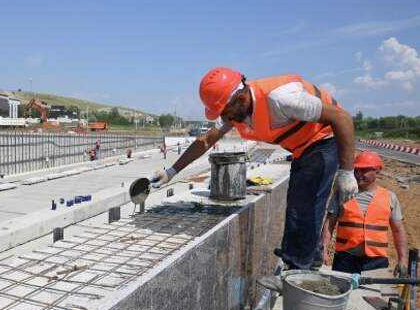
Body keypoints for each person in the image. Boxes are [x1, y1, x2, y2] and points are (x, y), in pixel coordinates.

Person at [150, 67, 357, 270]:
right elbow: (206, 141)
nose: (224, 119)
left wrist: (347, 172)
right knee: (296, 201)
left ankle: (298, 268)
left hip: (325, 138)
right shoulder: (238, 112)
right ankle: (303, 256)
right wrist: (171, 172)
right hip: (302, 147)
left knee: (305, 203)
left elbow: (342, 118)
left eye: (225, 112)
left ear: (241, 99)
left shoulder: (282, 99)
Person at [321, 151, 408, 275]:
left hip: (376, 261)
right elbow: (329, 223)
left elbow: (398, 231)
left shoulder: (390, 197)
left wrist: (403, 259)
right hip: (345, 260)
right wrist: (323, 249)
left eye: (364, 170)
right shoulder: (342, 194)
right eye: (356, 170)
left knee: (373, 293)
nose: (358, 174)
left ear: (377, 171)